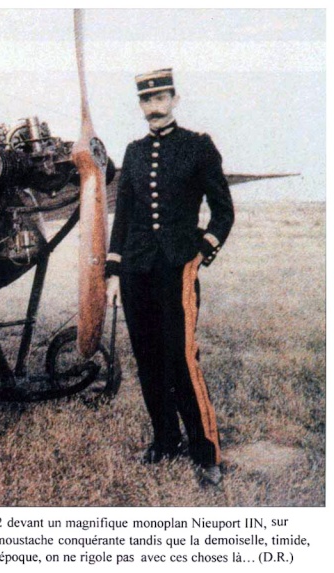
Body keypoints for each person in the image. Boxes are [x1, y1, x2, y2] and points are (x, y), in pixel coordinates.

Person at [105, 69, 234, 485]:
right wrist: (113, 271)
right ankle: (165, 441)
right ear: (141, 106)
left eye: (160, 98)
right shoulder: (134, 152)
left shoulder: (198, 146)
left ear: (174, 100)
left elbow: (223, 209)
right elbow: (122, 216)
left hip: (178, 266)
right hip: (137, 271)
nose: (153, 106)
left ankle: (205, 451)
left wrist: (203, 251)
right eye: (146, 100)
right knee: (148, 360)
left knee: (182, 358)